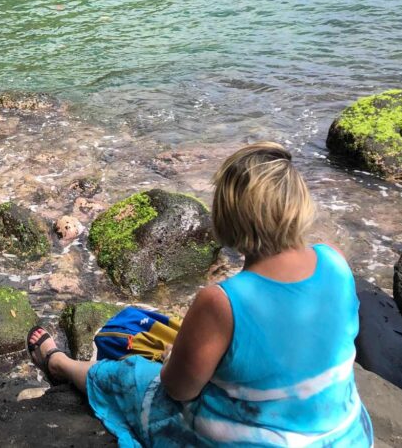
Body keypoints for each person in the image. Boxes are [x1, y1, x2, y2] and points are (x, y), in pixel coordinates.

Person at [27, 142, 374, 447]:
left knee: (129, 375)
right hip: (344, 434)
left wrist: (172, 358)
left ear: (228, 218)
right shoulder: (334, 260)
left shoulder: (223, 300)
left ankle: (61, 364)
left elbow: (178, 391)